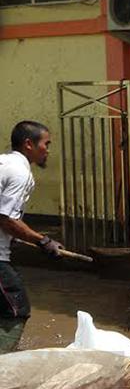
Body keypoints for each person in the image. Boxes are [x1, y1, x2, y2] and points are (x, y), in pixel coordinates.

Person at [0, 121, 63, 354]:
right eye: (46, 144)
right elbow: (6, 219)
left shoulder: (4, 162)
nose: (47, 150)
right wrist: (42, 241)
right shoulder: (20, 172)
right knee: (16, 309)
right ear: (29, 144)